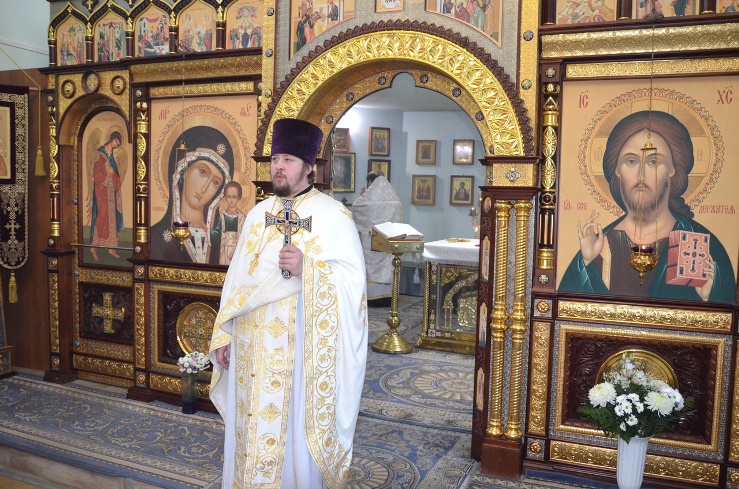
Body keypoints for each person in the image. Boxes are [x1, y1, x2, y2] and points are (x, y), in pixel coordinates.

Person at [209, 118, 368, 488]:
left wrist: (307, 269)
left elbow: (354, 288)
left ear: (309, 167)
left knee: (291, 434)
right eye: (275, 159)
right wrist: (225, 334)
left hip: (298, 352)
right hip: (250, 347)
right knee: (250, 427)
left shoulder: (333, 216)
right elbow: (236, 282)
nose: (278, 166)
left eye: (289, 160)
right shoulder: (256, 216)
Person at [559, 110, 735, 303]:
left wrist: (710, 296)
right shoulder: (598, 245)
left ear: (672, 169)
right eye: (631, 161)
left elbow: (725, 311)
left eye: (654, 161)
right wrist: (586, 264)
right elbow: (568, 305)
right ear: (617, 170)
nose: (641, 174)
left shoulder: (695, 242)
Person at [150, 126, 233, 264]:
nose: (205, 187)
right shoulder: (156, 237)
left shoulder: (222, 241)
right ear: (183, 170)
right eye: (203, 172)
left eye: (216, 182)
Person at [352, 171, 404, 306]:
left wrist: (361, 197)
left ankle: (373, 298)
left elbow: (357, 208)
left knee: (372, 266)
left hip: (371, 241)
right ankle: (389, 297)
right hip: (389, 241)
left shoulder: (367, 200)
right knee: (388, 266)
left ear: (370, 182)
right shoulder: (394, 197)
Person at [89, 131, 124, 261]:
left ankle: (111, 247)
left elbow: (116, 175)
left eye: (118, 144)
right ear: (111, 139)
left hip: (111, 193)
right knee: (102, 216)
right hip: (102, 192)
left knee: (111, 219)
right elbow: (97, 175)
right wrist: (107, 175)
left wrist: (112, 173)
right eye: (116, 142)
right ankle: (94, 246)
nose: (116, 145)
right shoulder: (100, 154)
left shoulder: (111, 157)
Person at [210, 181, 246, 265]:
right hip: (224, 252)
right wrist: (208, 232)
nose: (231, 200)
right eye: (229, 197)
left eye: (234, 197)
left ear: (239, 198)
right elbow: (215, 234)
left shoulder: (242, 218)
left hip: (237, 252)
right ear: (225, 197)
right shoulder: (221, 216)